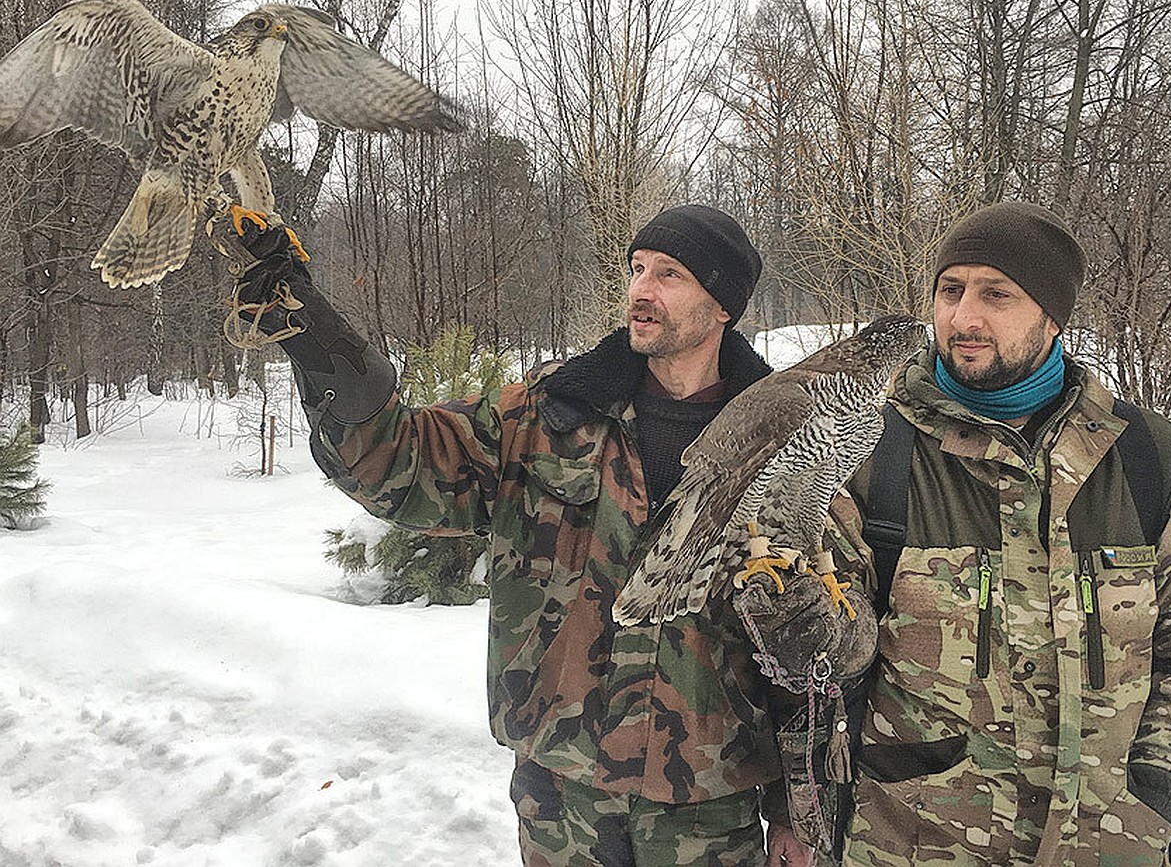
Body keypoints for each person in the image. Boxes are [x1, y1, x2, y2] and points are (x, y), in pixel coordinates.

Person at [221, 204, 811, 865]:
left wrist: (797, 811)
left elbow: (805, 654)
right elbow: (398, 463)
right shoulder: (549, 413)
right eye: (638, 269)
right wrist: (316, 336)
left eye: (669, 275)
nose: (642, 290)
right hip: (560, 796)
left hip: (708, 808)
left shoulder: (784, 445)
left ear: (722, 303)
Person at [809, 200, 1171, 865]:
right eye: (950, 290)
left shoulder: (1147, 458)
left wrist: (1163, 785)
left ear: (1052, 317)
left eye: (997, 294)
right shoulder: (870, 452)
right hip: (918, 842)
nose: (964, 318)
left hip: (1114, 844)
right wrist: (794, 616)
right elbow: (828, 662)